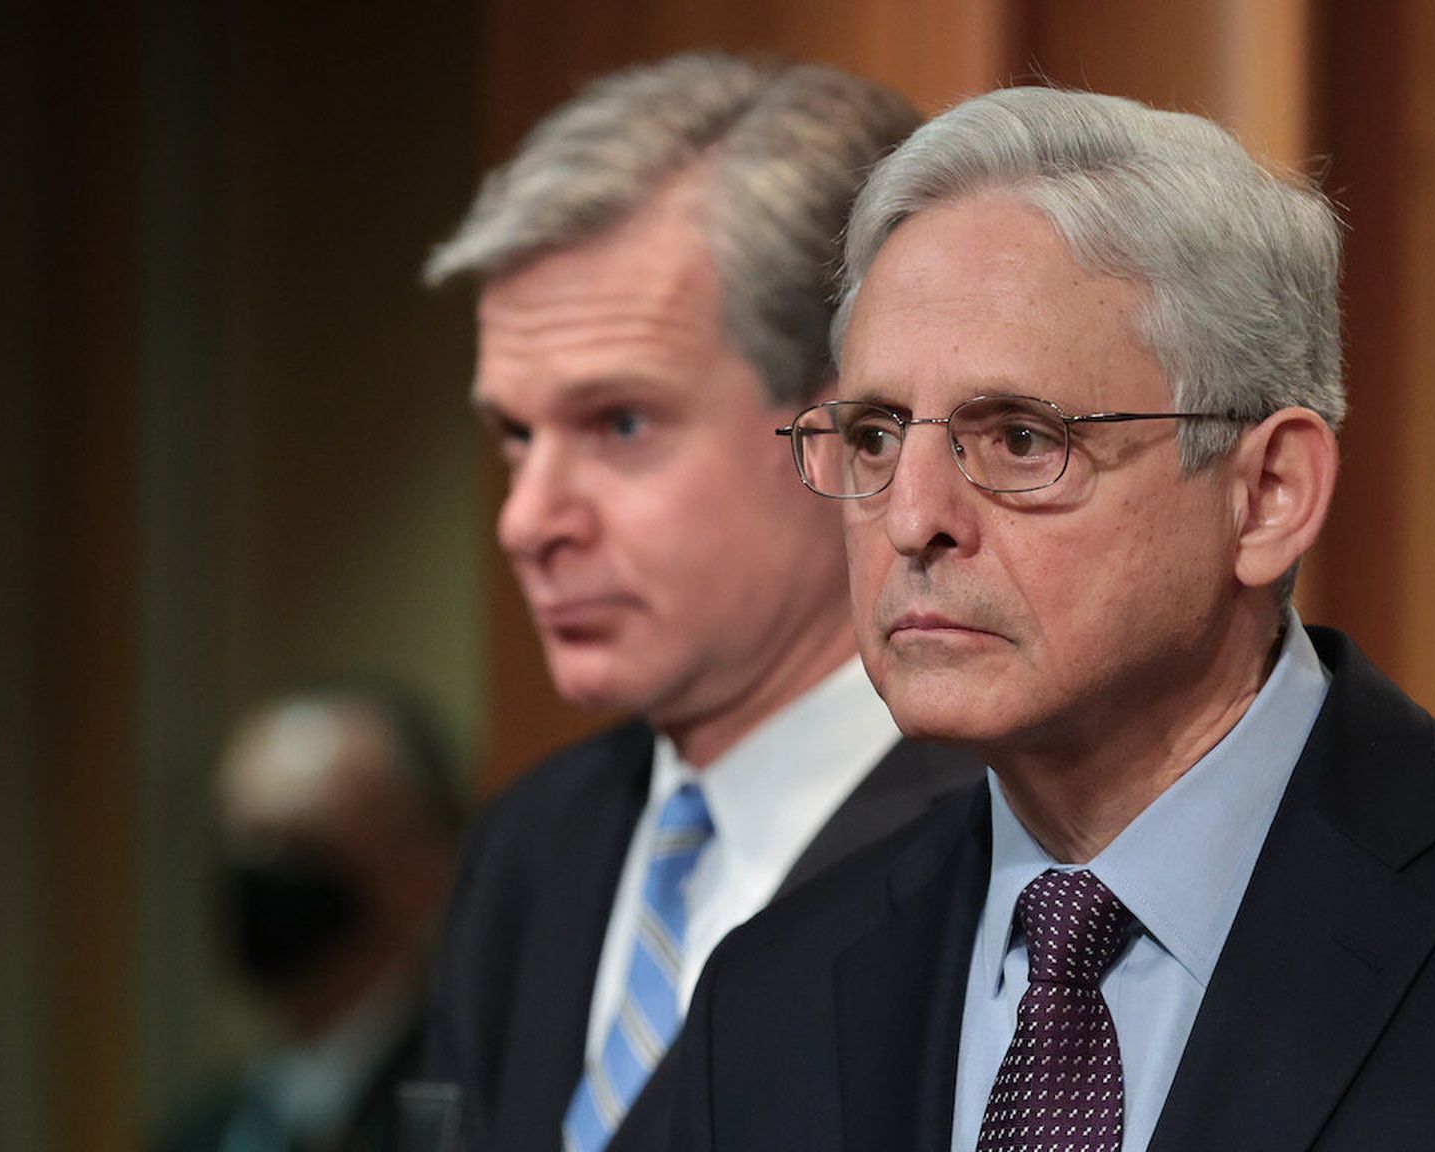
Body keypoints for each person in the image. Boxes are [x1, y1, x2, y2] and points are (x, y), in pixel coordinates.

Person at [670, 87, 1435, 1150]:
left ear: (1268, 495)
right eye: (873, 435)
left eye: (1019, 438)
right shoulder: (771, 995)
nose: (912, 518)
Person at [417, 53, 983, 1152]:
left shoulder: (1022, 851)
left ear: (858, 435)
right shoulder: (531, 846)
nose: (528, 521)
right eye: (517, 436)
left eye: (620, 424)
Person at [160, 687, 463, 1152]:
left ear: (421, 868)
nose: (260, 873)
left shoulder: (479, 1111)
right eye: (242, 841)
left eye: (298, 844)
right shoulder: (202, 1132)